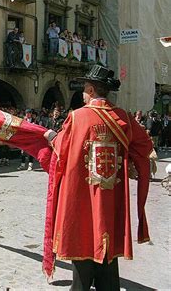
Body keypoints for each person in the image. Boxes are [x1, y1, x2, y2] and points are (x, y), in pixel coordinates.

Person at [42, 65, 153, 289]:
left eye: (84, 89)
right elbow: (145, 146)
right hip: (112, 199)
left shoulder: (77, 117)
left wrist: (51, 135)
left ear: (91, 90)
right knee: (108, 262)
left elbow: (62, 149)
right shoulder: (124, 117)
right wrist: (129, 161)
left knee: (82, 254)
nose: (82, 93)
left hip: (83, 199)